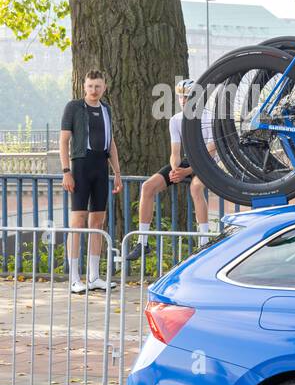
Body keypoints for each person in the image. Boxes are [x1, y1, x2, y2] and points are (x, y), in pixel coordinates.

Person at [125, 79, 214, 262]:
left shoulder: (209, 117)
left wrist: (187, 171)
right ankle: (143, 242)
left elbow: (212, 149)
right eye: (181, 96)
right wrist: (175, 169)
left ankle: (203, 241)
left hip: (209, 161)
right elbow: (175, 152)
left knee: (196, 188)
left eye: (187, 96)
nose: (183, 100)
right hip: (189, 160)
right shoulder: (176, 120)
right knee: (147, 187)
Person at [59, 69, 123, 293]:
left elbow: (110, 142)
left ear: (104, 86)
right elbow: (64, 140)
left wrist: (117, 172)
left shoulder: (106, 109)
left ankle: (94, 276)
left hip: (100, 168)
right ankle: (75, 278)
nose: (94, 90)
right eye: (90, 86)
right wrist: (66, 171)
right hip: (80, 166)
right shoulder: (74, 107)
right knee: (77, 222)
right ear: (84, 87)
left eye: (97, 86)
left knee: (97, 223)